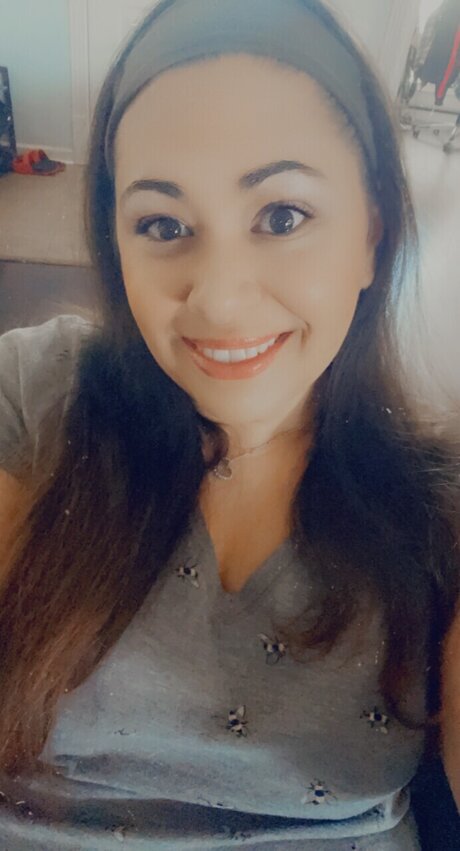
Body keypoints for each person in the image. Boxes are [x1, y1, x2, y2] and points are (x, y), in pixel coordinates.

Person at [0, 0, 459, 847]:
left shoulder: (439, 501)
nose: (218, 298)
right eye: (162, 225)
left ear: (372, 230)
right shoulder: (38, 398)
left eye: (282, 216)